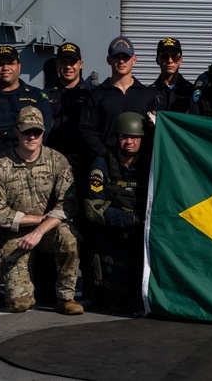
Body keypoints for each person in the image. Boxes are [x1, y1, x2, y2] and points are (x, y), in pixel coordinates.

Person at [0, 106, 83, 315]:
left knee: (69, 238)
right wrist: (38, 220)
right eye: (26, 131)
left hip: (49, 229)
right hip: (16, 232)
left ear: (43, 133)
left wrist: (40, 231)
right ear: (16, 131)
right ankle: (25, 291)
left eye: (36, 132)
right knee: (19, 305)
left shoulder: (58, 161)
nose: (31, 136)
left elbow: (68, 204)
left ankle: (66, 298)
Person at [84, 112, 150, 312]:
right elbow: (94, 209)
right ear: (116, 138)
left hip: (141, 238)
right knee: (111, 297)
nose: (129, 142)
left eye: (134, 137)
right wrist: (132, 219)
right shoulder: (102, 164)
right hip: (111, 237)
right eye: (124, 137)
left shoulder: (150, 165)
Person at [0, 45, 52, 171]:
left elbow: (44, 126)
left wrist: (6, 132)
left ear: (19, 67)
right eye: (0, 64)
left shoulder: (37, 96)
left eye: (11, 63)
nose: (6, 68)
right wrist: (25, 121)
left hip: (30, 168)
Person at [79, 36, 159, 159]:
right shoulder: (96, 95)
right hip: (106, 162)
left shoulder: (148, 95)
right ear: (108, 60)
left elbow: (155, 132)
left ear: (134, 59)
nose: (121, 61)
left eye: (126, 57)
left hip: (140, 164)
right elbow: (87, 130)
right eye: (117, 57)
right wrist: (105, 156)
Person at [45, 42, 93, 174]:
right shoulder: (44, 95)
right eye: (63, 62)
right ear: (57, 64)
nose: (68, 67)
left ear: (80, 64)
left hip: (83, 160)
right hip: (52, 160)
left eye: (72, 62)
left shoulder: (92, 95)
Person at [149, 37, 194, 113]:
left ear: (180, 61)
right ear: (157, 60)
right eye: (164, 56)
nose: (170, 60)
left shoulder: (191, 91)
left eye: (174, 56)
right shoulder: (149, 93)